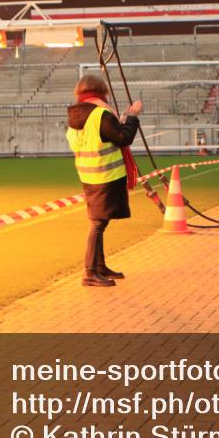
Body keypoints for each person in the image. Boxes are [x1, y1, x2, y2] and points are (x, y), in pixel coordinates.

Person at [66, 75, 142, 287]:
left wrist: (123, 119)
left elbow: (106, 136)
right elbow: (123, 138)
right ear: (102, 91)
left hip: (89, 175)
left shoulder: (76, 116)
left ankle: (99, 266)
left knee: (100, 222)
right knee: (98, 224)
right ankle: (89, 272)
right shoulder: (100, 114)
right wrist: (132, 117)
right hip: (106, 176)